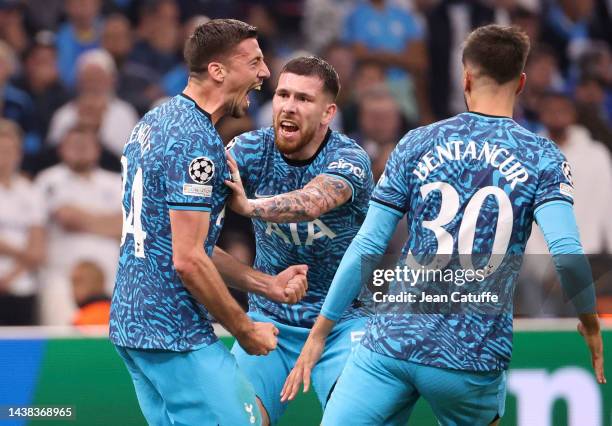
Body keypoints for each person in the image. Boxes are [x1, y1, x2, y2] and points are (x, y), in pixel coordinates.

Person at [281, 25, 606, 425]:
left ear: (466, 76)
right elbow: (567, 253)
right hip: (469, 356)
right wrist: (590, 324)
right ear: (521, 83)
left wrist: (320, 331)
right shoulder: (541, 156)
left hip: (390, 343)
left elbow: (367, 245)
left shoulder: (417, 142)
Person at [109, 19, 307, 426]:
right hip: (173, 330)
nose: (264, 74)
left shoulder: (155, 120)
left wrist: (265, 284)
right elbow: (188, 260)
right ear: (218, 71)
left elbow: (183, 243)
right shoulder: (195, 141)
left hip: (134, 324)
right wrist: (246, 329)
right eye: (254, 62)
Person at [224, 56, 374, 426]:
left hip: (343, 322)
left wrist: (248, 205)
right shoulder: (248, 150)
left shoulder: (349, 159)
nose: (289, 106)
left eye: (304, 99)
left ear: (328, 113)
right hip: (268, 319)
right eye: (283, 94)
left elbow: (312, 202)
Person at [36, 125, 122, 325]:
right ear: (61, 149)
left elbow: (127, 226)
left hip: (111, 275)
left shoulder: (117, 181)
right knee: (62, 338)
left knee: (113, 339)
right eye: (74, 145)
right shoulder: (49, 179)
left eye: (86, 144)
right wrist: (109, 222)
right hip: (62, 276)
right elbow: (67, 218)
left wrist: (82, 218)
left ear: (98, 149)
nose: (80, 149)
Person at [0, 119, 45, 325]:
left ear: (19, 154)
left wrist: (9, 277)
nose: (4, 157)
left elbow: (37, 250)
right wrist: (24, 253)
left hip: (22, 285)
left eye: (8, 150)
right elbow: (30, 252)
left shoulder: (31, 192)